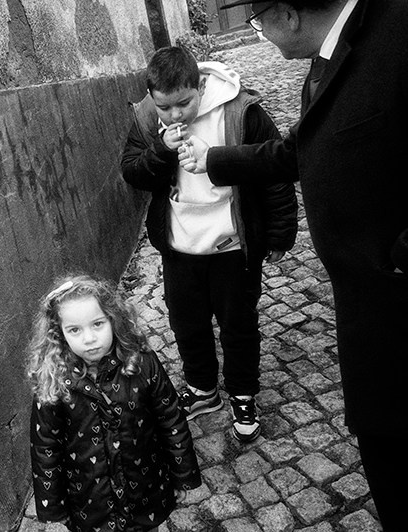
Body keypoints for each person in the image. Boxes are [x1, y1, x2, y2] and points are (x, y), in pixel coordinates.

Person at [178, 1, 408, 529]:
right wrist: (213, 161)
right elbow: (298, 151)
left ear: (289, 13)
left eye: (259, 23)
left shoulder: (398, 30)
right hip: (365, 312)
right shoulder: (326, 60)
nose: (262, 35)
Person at [120, 46, 297, 442]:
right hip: (180, 248)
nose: (175, 115)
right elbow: (133, 172)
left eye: (184, 103)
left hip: (232, 246)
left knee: (239, 325)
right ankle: (203, 389)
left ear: (199, 85)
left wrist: (280, 232)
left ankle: (243, 394)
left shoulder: (240, 110)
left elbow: (273, 171)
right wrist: (163, 152)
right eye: (165, 106)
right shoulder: (148, 118)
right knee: (187, 324)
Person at [27, 275, 201, 532]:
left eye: (97, 324)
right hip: (90, 501)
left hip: (145, 488)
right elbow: (45, 448)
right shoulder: (54, 379)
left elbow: (171, 419)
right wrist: (53, 506)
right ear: (59, 333)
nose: (89, 338)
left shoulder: (142, 364)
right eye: (74, 330)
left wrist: (182, 476)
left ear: (113, 318)